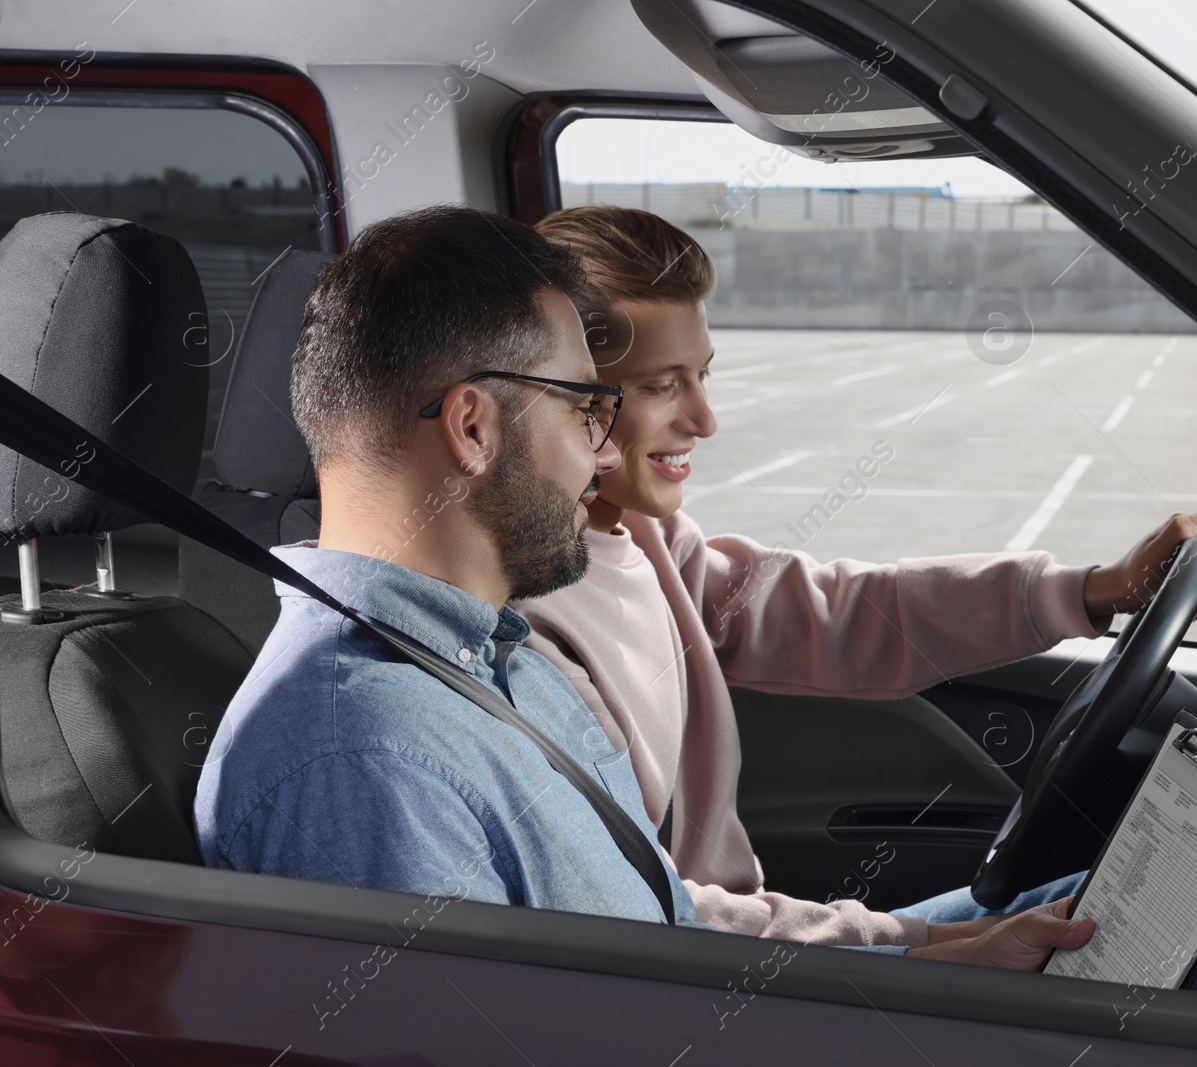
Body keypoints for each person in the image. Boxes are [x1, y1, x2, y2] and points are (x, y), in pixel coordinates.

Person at [193, 205, 1100, 971]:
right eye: (588, 407)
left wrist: (920, 962)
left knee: (1107, 927)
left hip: (721, 1003)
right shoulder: (368, 760)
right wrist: (920, 973)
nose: (599, 453)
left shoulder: (493, 661)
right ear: (472, 426)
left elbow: (663, 926)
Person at [513, 206, 1197, 953]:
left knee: (1158, 920)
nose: (705, 418)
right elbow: (645, 908)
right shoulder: (530, 634)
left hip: (762, 944)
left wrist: (1090, 589)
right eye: (663, 385)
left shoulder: (651, 539)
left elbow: (846, 612)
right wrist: (926, 950)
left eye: (703, 375)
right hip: (715, 978)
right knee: (1174, 952)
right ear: (567, 399)